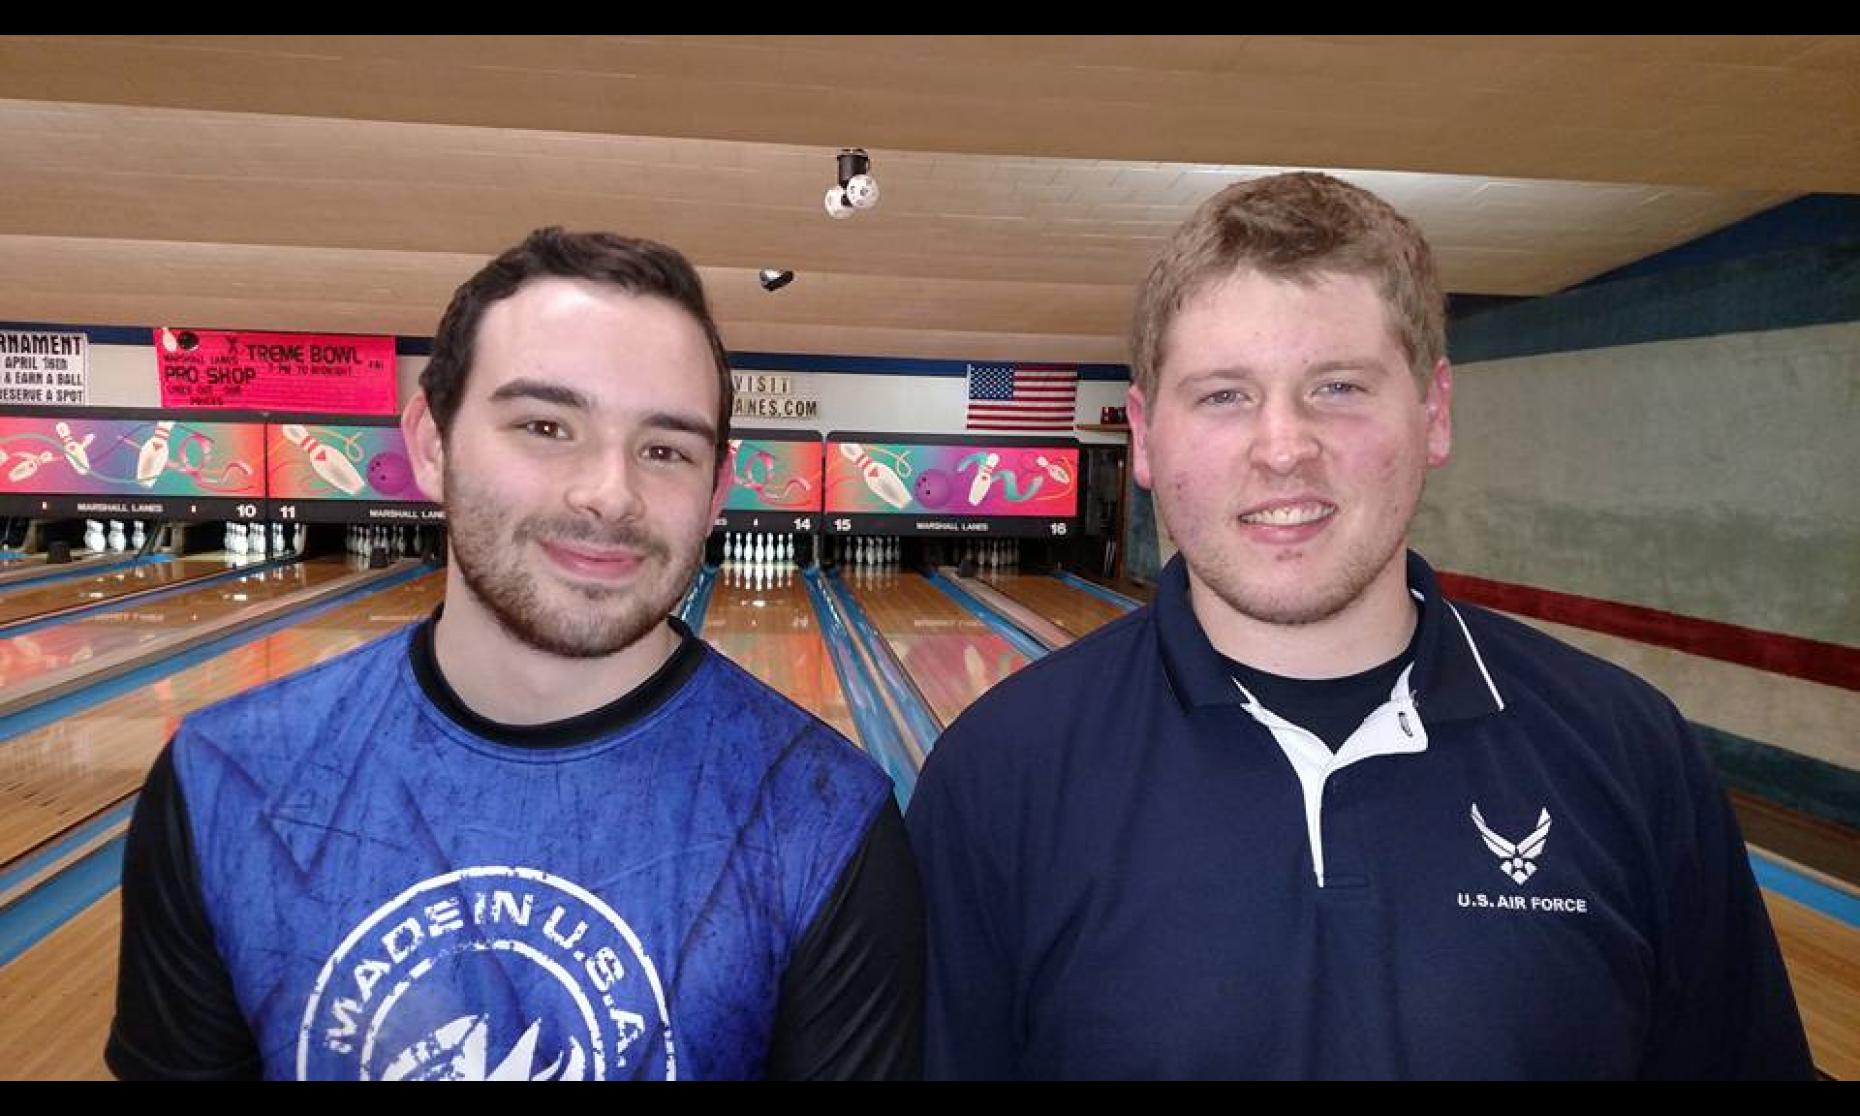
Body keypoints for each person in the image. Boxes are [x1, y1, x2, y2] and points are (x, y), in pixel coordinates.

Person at [905, 173, 1813, 1079]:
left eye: (1338, 386)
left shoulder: (1628, 752)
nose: (1284, 446)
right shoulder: (999, 776)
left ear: (1435, 412)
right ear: (1143, 437)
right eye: (1224, 394)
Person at [107, 228, 922, 1081]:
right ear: (431, 442)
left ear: (718, 490)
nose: (609, 493)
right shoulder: (224, 783)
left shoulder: (827, 822)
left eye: (666, 449)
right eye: (545, 424)